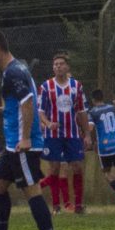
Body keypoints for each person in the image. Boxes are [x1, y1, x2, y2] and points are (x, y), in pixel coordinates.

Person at [0, 30, 62, 230]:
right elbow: (15, 106)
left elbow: (28, 102)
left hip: (23, 145)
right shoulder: (13, 70)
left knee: (32, 191)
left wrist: (25, 138)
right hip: (13, 145)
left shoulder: (14, 72)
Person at [37, 52, 91, 214]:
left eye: (61, 64)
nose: (58, 66)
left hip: (72, 134)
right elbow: (40, 111)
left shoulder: (76, 86)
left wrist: (87, 134)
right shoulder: (46, 86)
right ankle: (56, 206)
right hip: (53, 135)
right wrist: (48, 124)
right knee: (54, 169)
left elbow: (81, 111)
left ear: (67, 67)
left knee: (77, 167)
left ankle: (79, 205)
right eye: (55, 64)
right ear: (53, 68)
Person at [85, 89, 115, 206]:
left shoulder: (92, 112)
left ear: (93, 100)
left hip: (104, 147)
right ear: (103, 97)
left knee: (107, 172)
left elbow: (90, 128)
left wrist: (88, 138)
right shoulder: (113, 108)